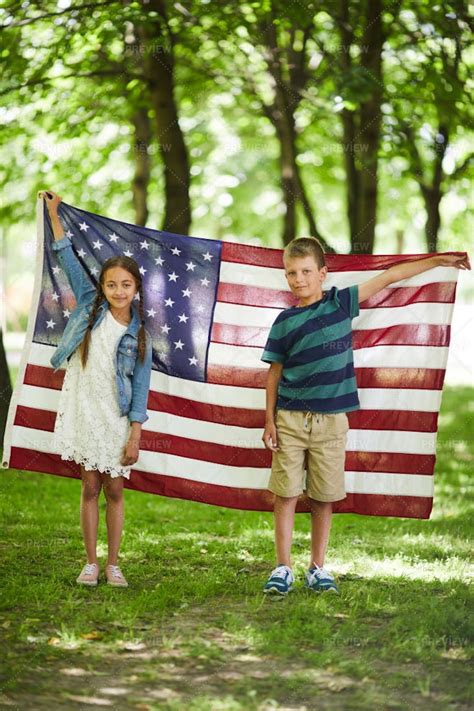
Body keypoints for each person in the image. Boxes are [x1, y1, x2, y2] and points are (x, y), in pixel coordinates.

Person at [261, 236, 470, 596]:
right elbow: (274, 373)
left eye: (306, 271)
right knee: (287, 494)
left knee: (324, 496)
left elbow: (388, 277)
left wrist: (438, 261)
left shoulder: (342, 303)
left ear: (323, 274)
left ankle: (318, 567)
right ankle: (283, 567)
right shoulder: (284, 321)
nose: (299, 279)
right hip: (290, 419)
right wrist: (269, 420)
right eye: (291, 273)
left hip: (332, 421)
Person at [39, 190, 153, 588]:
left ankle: (114, 563)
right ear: (102, 287)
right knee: (89, 484)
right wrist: (55, 215)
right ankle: (90, 561)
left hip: (116, 415)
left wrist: (136, 432)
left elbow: (141, 388)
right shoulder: (90, 305)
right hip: (85, 405)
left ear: (136, 288)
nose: (118, 291)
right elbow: (66, 257)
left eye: (125, 285)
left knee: (115, 488)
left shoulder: (140, 335)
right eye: (111, 284)